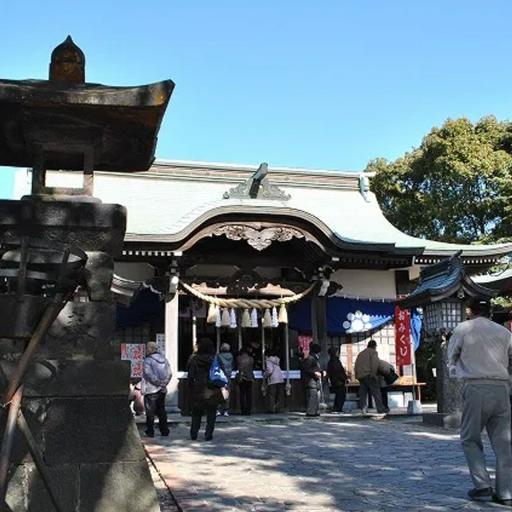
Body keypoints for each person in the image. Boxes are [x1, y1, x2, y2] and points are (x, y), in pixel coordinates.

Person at [448, 298, 512, 505]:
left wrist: (456, 373)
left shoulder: (463, 329)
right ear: (490, 312)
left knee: (470, 437)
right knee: (504, 443)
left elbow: (451, 358)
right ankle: (506, 492)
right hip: (502, 388)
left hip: (475, 386)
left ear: (470, 311)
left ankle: (482, 485)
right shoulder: (504, 332)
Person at [187, 337, 223, 441]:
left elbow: (191, 376)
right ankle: (208, 434)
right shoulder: (215, 359)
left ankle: (194, 433)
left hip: (198, 388)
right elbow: (221, 374)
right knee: (211, 413)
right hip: (212, 388)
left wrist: (190, 387)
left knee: (196, 413)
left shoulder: (195, 360)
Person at [142, 341, 172, 437]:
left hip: (151, 389)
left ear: (151, 349)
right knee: (161, 410)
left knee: (150, 412)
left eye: (147, 348)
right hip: (162, 389)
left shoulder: (148, 360)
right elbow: (169, 373)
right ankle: (164, 430)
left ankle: (150, 431)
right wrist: (164, 383)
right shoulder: (164, 360)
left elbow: (148, 374)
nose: (146, 350)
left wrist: (158, 382)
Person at [354, 339, 386, 415]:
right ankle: (380, 409)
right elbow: (375, 364)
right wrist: (373, 374)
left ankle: (363, 409)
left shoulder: (361, 353)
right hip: (369, 375)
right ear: (374, 346)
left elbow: (356, 365)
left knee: (363, 394)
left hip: (361, 376)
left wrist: (357, 375)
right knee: (376, 392)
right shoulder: (373, 352)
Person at [302, 343, 323, 416]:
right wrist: (315, 373)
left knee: (316, 397)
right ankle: (311, 412)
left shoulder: (313, 358)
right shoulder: (311, 358)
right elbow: (306, 369)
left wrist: (322, 372)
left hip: (314, 381)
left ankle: (315, 411)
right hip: (311, 381)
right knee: (313, 397)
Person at [327, 347, 347, 413]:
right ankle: (338, 408)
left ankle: (336, 408)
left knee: (338, 395)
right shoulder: (335, 361)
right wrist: (344, 378)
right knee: (341, 395)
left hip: (334, 380)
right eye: (337, 352)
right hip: (338, 381)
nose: (338, 353)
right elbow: (338, 372)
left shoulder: (331, 361)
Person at [217, 343, 234, 416]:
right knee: (226, 393)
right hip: (228, 375)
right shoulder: (231, 356)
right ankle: (226, 410)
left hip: (220, 376)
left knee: (219, 393)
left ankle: (218, 410)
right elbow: (233, 365)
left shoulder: (218, 356)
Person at [236, 346, 254, 415]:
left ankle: (243, 410)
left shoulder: (238, 358)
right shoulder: (251, 359)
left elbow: (238, 367)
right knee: (249, 395)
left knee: (242, 394)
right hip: (249, 377)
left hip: (242, 377)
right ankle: (248, 410)